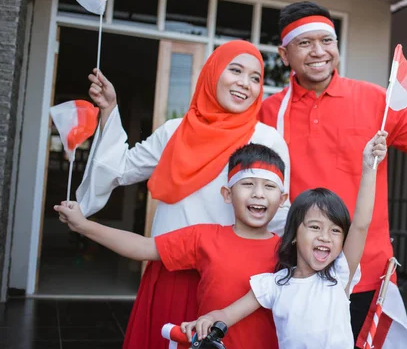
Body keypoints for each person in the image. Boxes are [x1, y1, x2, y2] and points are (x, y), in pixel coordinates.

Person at [258, 1, 407, 346]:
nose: (318, 52)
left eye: (326, 41)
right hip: (294, 273)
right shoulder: (268, 112)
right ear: (284, 54)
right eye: (304, 43)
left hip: (366, 272)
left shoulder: (375, 99)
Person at [77, 40, 290, 349]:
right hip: (172, 272)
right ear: (213, 73)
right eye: (236, 70)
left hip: (234, 284)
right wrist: (110, 109)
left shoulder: (267, 139)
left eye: (256, 77)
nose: (245, 83)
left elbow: (279, 214)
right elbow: (120, 169)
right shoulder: (174, 131)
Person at [57, 143, 288, 349]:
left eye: (269, 186)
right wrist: (83, 226)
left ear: (282, 199)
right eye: (247, 184)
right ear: (227, 194)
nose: (258, 194)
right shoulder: (204, 237)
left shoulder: (289, 252)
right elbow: (143, 248)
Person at [182, 131, 387, 349]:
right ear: (294, 237)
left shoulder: (339, 275)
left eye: (335, 231)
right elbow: (226, 314)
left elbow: (361, 224)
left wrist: (369, 167)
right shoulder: (274, 284)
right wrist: (207, 320)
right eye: (315, 227)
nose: (324, 237)